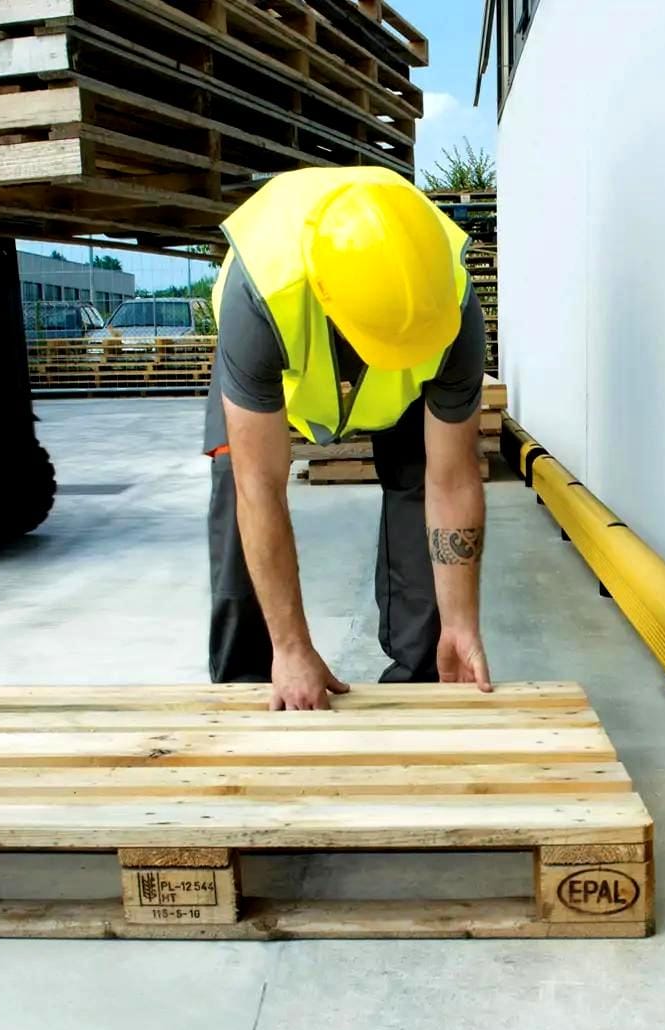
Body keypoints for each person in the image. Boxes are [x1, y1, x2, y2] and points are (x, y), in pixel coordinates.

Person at [204, 166, 492, 710]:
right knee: (234, 483)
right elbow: (259, 487)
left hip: (408, 376)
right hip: (272, 354)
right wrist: (292, 645)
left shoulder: (450, 304)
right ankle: (255, 681)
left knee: (419, 483)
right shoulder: (261, 291)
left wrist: (461, 623)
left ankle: (425, 675)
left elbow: (452, 479)